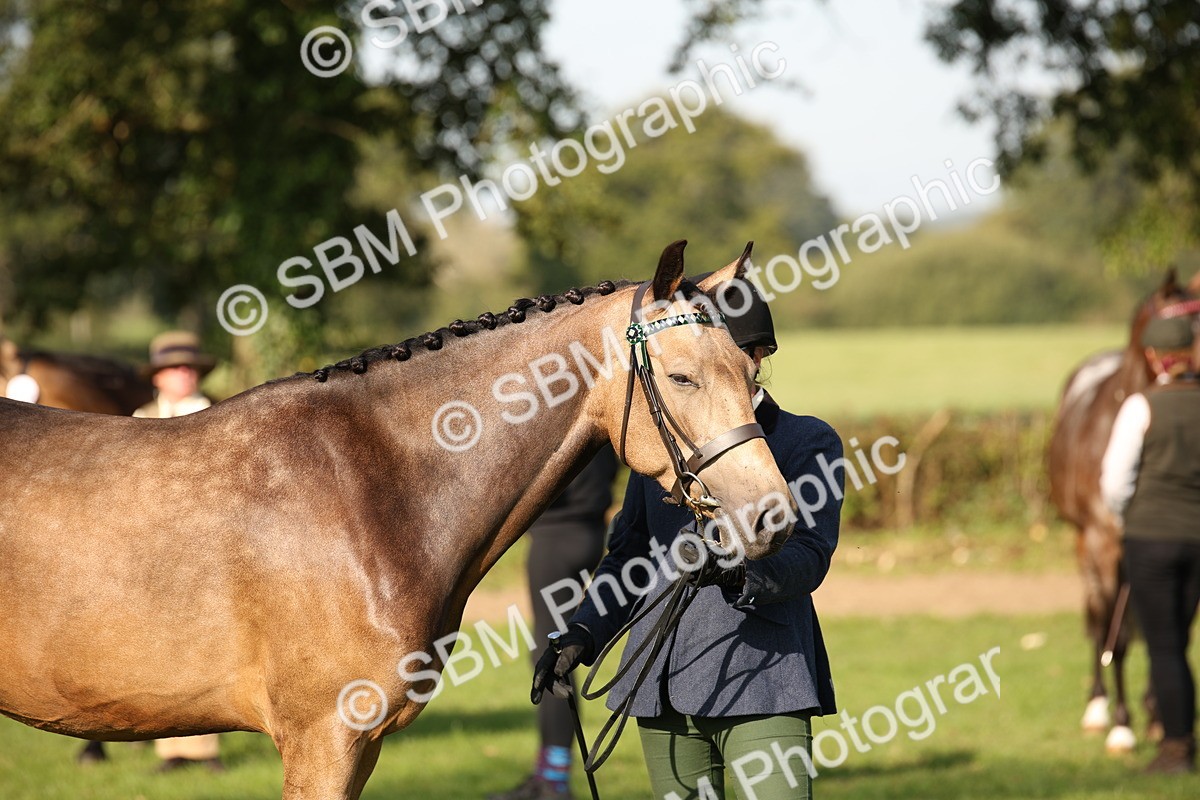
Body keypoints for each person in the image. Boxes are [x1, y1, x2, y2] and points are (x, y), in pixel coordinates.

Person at [532, 279, 842, 800]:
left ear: (757, 356)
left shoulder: (806, 440)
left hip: (764, 678)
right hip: (662, 683)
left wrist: (740, 573)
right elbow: (629, 555)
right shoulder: (667, 439)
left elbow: (810, 555)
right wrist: (583, 632)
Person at [77, 330, 222, 768]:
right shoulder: (142, 418)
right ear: (157, 376)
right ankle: (162, 740)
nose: (184, 374)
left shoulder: (217, 414)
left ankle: (200, 747)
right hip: (152, 543)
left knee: (206, 641)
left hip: (205, 540)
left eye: (189, 367)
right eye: (174, 368)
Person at [489, 446, 618, 800]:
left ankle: (553, 781)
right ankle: (548, 775)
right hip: (587, 531)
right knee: (552, 653)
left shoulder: (559, 418)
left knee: (551, 659)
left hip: (557, 539)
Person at [1101, 313, 1200, 774]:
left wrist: (1127, 518)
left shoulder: (1141, 406)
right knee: (1181, 638)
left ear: (1153, 357)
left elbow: (1115, 481)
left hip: (1150, 538)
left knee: (1165, 645)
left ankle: (1176, 748)